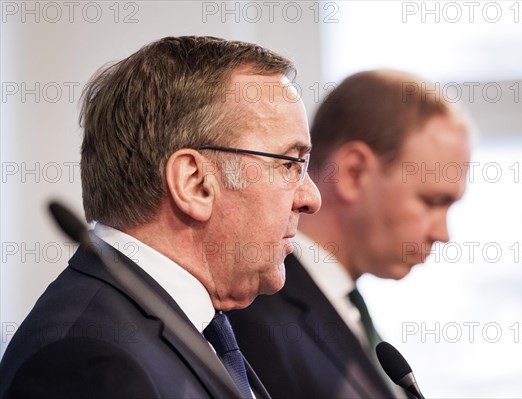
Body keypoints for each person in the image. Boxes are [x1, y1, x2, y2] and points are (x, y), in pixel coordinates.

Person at [0, 36, 321, 398]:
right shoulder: (89, 360)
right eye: (289, 164)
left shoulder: (187, 324)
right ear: (195, 183)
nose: (311, 198)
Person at [228, 70, 472, 398]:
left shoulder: (346, 311)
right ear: (353, 172)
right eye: (431, 201)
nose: (443, 233)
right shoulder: (252, 314)